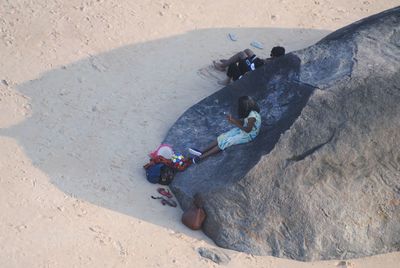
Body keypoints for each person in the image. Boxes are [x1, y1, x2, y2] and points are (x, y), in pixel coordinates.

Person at [188, 96, 261, 164]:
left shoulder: (252, 117)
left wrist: (235, 123)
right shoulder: (249, 113)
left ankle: (201, 157)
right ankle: (201, 151)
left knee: (227, 141)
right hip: (244, 130)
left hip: (249, 135)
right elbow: (244, 123)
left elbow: (248, 130)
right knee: (223, 136)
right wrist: (233, 120)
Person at [213, 46, 285, 85]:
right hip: (257, 64)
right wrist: (264, 61)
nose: (270, 56)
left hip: (254, 69)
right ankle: (230, 61)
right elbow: (264, 61)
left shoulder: (272, 65)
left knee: (241, 54)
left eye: (272, 55)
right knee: (247, 51)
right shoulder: (277, 60)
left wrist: (263, 62)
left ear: (276, 57)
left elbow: (260, 72)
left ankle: (222, 66)